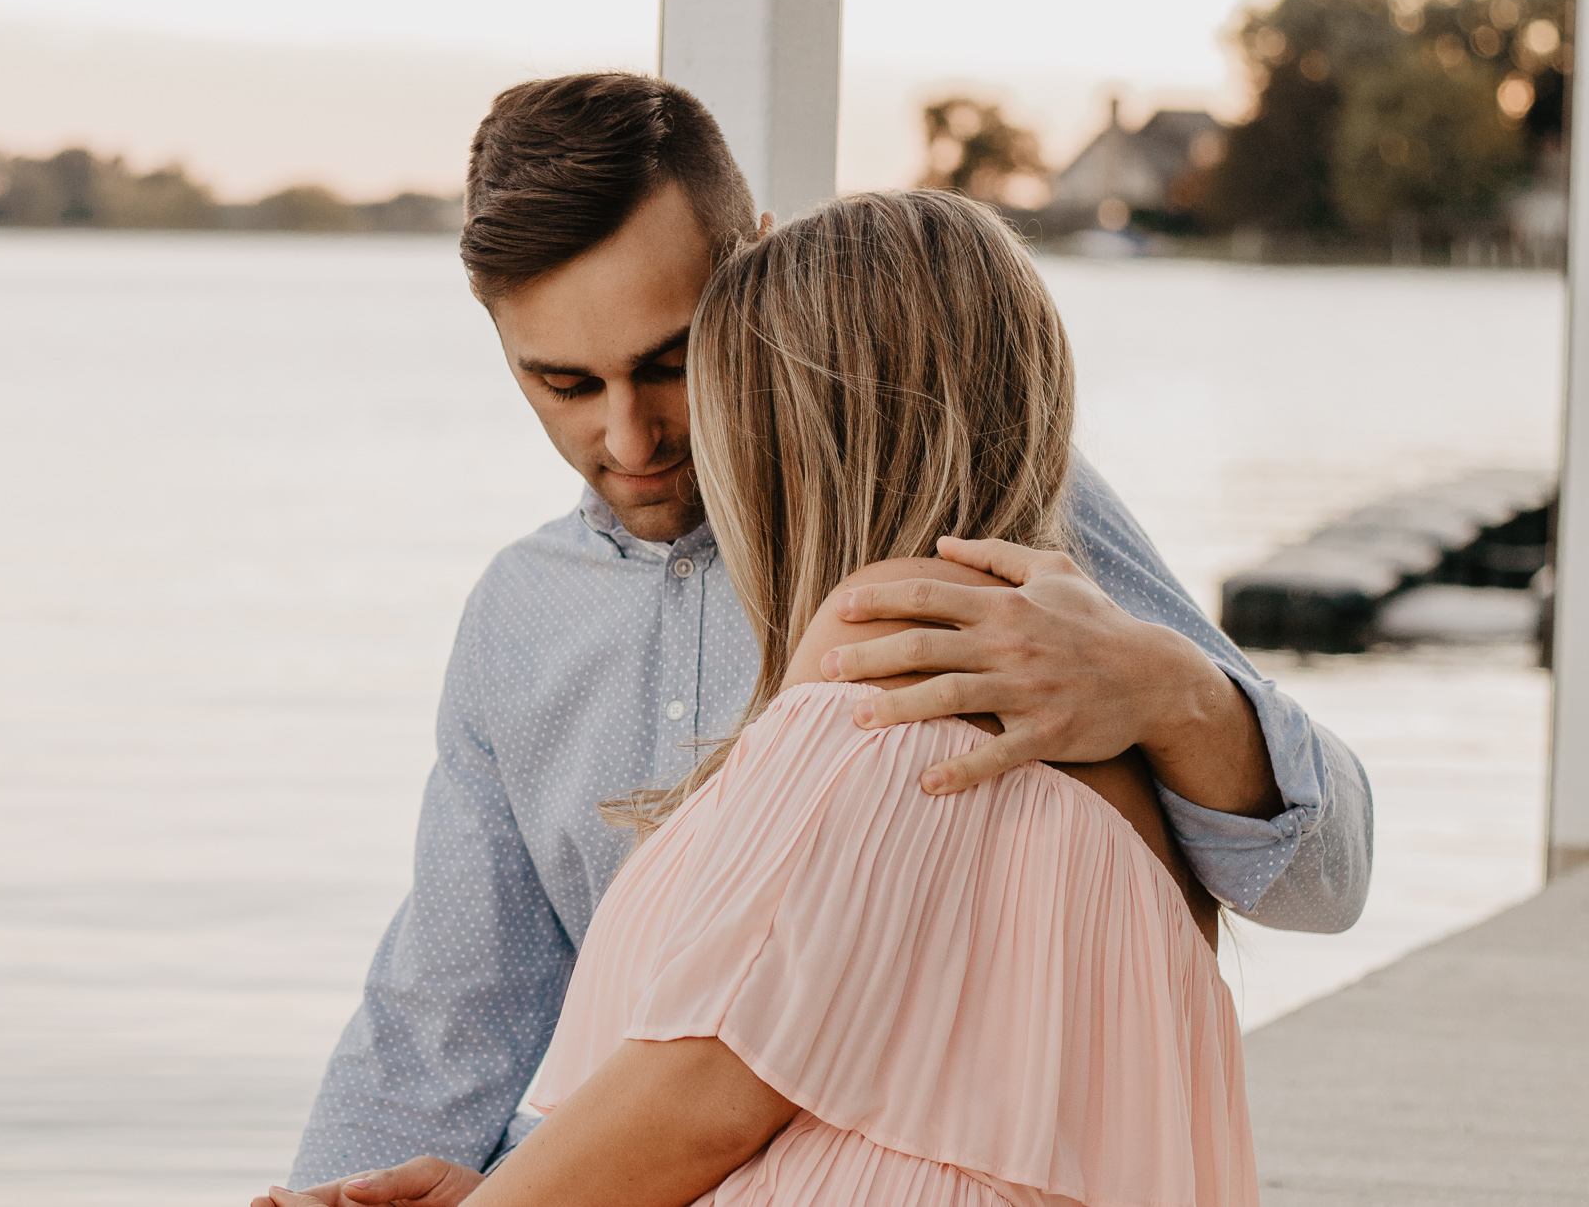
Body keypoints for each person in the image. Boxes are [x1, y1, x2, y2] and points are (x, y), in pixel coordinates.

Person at [272, 73, 1368, 1202]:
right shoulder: (518, 620)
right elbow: (443, 1020)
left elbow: (1323, 881)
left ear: (752, 271)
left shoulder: (985, 549)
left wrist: (1172, 694)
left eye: (670, 362)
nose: (629, 435)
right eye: (561, 382)